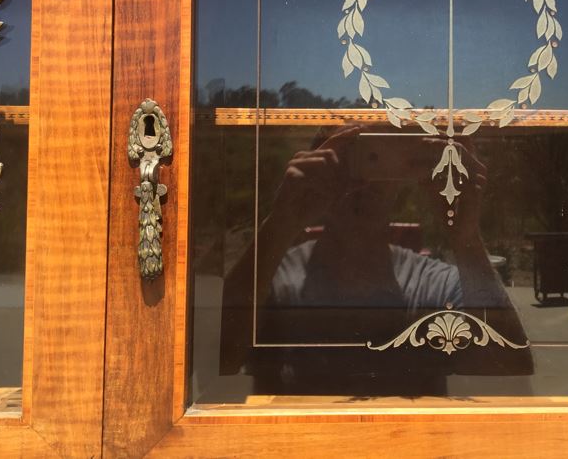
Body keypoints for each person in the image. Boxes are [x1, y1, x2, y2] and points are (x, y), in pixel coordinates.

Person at [220, 125, 532, 396]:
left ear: (400, 180)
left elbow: (511, 367)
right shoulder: (276, 278)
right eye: (348, 162)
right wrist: (282, 221)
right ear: (316, 173)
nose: (362, 183)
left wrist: (465, 237)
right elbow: (220, 358)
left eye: (377, 161)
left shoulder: (432, 284)